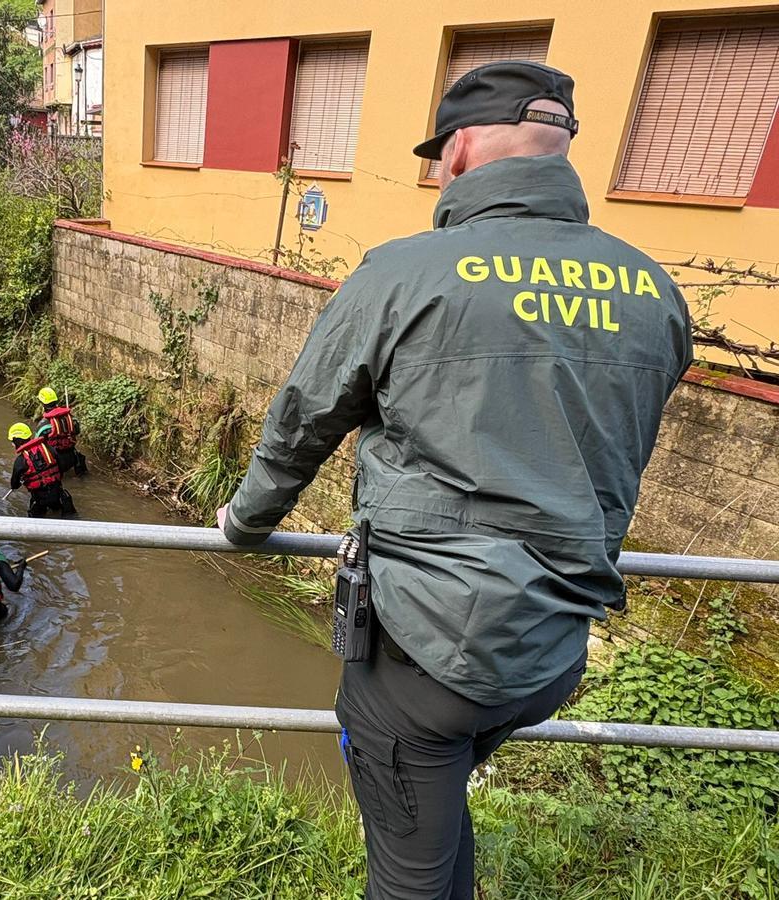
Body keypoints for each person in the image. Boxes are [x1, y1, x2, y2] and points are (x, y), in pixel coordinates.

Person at [217, 61, 692, 899]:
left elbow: (301, 424)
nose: (437, 172)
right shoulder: (652, 292)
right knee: (433, 831)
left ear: (464, 147)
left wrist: (245, 525)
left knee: (404, 874)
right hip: (549, 655)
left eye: (438, 154)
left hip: (427, 652)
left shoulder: (404, 273)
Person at [8, 422, 77, 518]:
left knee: (35, 521)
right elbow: (61, 467)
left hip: (39, 499)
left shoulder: (20, 461)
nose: (12, 443)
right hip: (57, 493)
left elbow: (14, 485)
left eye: (12, 441)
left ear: (16, 441)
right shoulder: (48, 448)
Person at [35, 386, 88, 477]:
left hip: (56, 461)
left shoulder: (43, 424)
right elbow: (77, 431)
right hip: (72, 457)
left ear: (42, 404)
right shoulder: (70, 417)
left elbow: (36, 446)